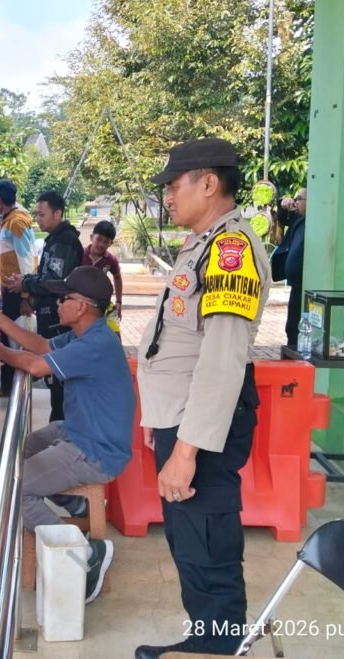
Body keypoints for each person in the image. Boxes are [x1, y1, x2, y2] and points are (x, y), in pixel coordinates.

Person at [134, 137, 271, 659]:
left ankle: (218, 648)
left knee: (207, 543)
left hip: (202, 429)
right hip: (182, 418)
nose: (169, 197)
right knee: (190, 541)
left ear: (209, 183)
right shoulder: (203, 243)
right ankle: (205, 639)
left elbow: (221, 357)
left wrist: (186, 451)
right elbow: (177, 339)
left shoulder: (231, 248)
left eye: (175, 185)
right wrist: (159, 418)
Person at [0, 266, 134, 604]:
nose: (57, 303)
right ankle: (72, 501)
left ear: (81, 307)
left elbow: (36, 366)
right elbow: (40, 345)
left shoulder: (96, 343)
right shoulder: (85, 334)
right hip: (77, 431)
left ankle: (83, 556)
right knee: (14, 455)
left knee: (15, 488)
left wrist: (3, 354)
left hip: (94, 450)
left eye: (63, 298)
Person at [3, 190, 83, 421]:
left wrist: (26, 282)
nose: (37, 218)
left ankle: (60, 428)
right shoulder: (54, 240)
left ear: (57, 213)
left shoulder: (65, 241)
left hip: (60, 322)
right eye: (36, 213)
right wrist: (30, 296)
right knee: (54, 381)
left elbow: (57, 281)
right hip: (50, 315)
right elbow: (48, 276)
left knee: (59, 381)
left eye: (42, 213)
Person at [0, 178, 38, 398]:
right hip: (15, 287)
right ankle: (13, 383)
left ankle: (10, 384)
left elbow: (26, 258)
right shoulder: (14, 218)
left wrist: (26, 294)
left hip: (17, 289)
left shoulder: (15, 222)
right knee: (12, 334)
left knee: (12, 335)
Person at [272, 189, 306, 346]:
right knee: (292, 327)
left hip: (306, 284)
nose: (297, 201)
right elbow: (282, 218)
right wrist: (283, 205)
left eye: (300, 198)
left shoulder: (313, 220)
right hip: (295, 283)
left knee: (301, 327)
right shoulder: (298, 218)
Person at [83, 219, 123, 316]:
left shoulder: (111, 260)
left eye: (106, 241)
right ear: (91, 237)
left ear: (111, 243)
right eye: (98, 239)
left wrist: (118, 302)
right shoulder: (79, 253)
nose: (101, 244)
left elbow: (117, 278)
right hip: (78, 301)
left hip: (98, 304)